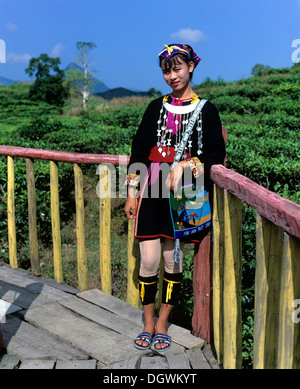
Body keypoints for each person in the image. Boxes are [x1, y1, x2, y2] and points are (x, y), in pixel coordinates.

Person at [124, 44, 226, 352]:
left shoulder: (206, 109)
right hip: (153, 189)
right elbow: (138, 151)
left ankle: (163, 324)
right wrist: (131, 193)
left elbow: (215, 155)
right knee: (149, 260)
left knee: (172, 260)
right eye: (167, 70)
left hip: (184, 195)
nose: (172, 76)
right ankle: (147, 322)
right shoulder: (155, 106)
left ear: (191, 67)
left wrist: (186, 164)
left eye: (177, 68)